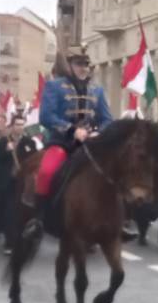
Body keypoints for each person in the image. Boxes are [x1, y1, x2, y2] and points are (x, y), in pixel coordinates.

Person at [32, 50, 113, 218]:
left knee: (113, 174)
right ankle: (38, 218)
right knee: (46, 172)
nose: (83, 68)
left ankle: (115, 220)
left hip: (90, 145)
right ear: (69, 65)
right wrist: (71, 130)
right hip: (62, 142)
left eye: (85, 64)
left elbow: (107, 120)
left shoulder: (97, 90)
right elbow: (46, 116)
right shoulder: (54, 86)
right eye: (78, 64)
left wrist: (98, 133)